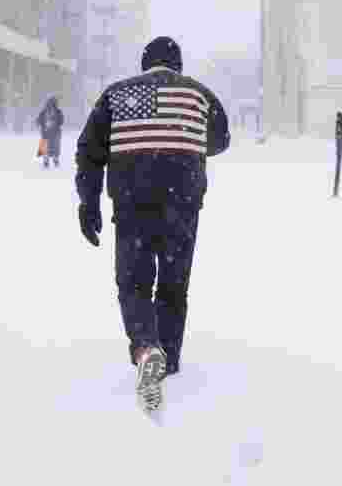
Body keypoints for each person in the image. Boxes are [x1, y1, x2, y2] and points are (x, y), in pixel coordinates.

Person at [75, 36, 230, 413]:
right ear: (177, 65)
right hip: (183, 204)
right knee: (175, 285)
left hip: (132, 204)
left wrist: (88, 203)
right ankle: (169, 359)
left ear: (144, 63)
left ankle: (146, 347)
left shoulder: (115, 95)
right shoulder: (199, 96)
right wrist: (183, 139)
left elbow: (89, 151)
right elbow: (220, 141)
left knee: (134, 282)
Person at [35, 96, 64, 167]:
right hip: (50, 132)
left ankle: (50, 159)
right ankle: (50, 159)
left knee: (51, 146)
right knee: (52, 146)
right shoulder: (55, 111)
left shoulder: (55, 111)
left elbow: (61, 121)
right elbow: (61, 121)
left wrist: (52, 123)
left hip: (50, 132)